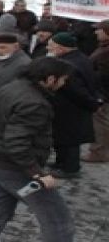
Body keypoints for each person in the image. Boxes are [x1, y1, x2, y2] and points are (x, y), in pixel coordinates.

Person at [0, 57, 76, 242]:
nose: (63, 84)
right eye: (62, 79)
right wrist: (37, 173)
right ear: (50, 79)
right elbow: (17, 142)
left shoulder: (11, 88)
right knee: (57, 219)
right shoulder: (35, 103)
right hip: (17, 171)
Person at [46, 33, 99, 178]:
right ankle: (60, 162)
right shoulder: (77, 57)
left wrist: (91, 105)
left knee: (70, 140)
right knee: (63, 138)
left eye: (51, 46)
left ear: (61, 48)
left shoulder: (68, 66)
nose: (48, 48)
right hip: (70, 107)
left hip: (71, 109)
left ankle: (70, 169)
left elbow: (77, 91)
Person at [85, 20, 109, 163]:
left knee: (100, 122)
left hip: (103, 93)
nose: (96, 32)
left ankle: (98, 153)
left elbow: (103, 75)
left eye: (99, 29)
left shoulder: (106, 51)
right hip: (101, 91)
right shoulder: (103, 47)